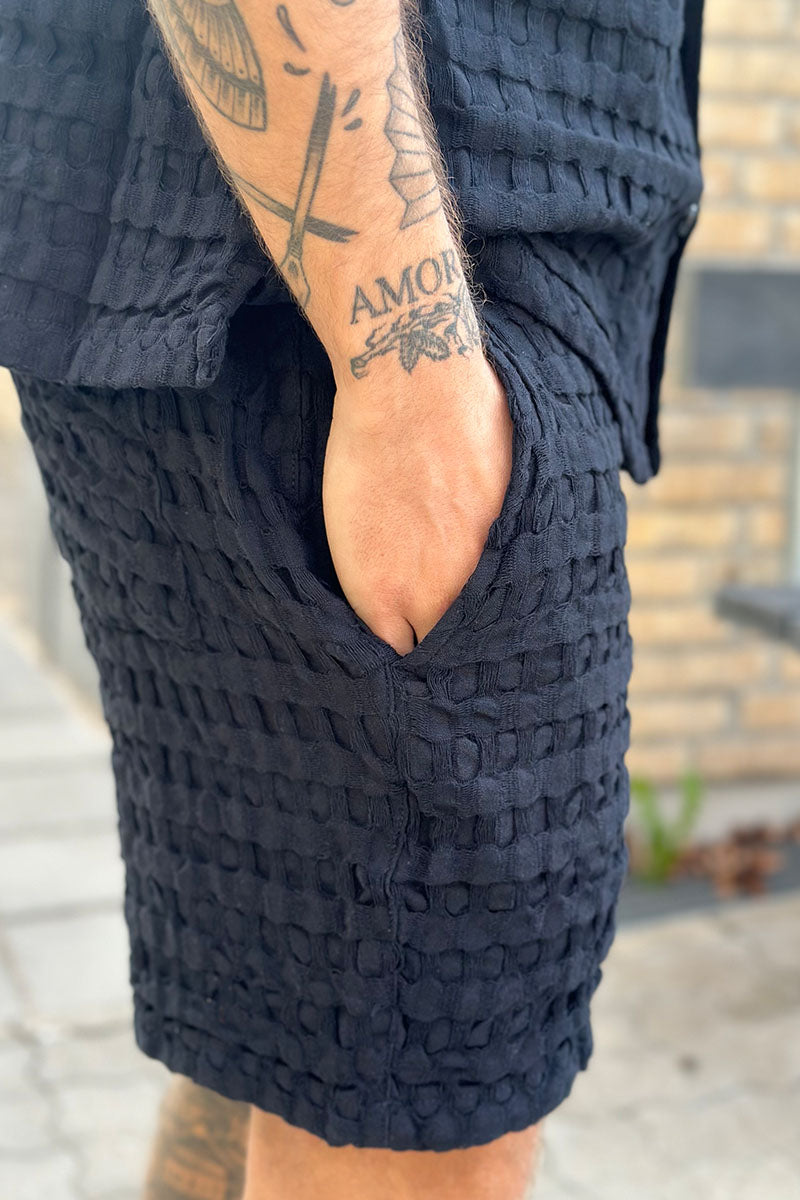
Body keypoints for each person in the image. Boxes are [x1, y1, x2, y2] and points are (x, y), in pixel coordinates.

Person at [0, 0, 704, 1195]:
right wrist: (403, 361)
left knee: (301, 1015)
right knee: (434, 1086)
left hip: (369, 255)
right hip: (365, 272)